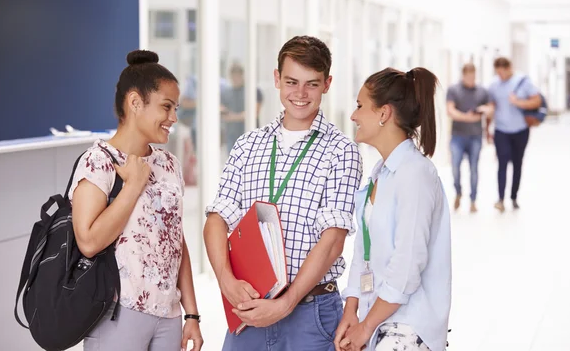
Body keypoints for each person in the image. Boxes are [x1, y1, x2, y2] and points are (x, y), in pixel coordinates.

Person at [204, 35, 363, 351]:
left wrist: (286, 304)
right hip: (248, 309)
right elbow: (216, 220)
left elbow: (332, 241)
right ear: (276, 79)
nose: (300, 94)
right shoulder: (248, 145)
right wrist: (226, 281)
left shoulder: (342, 151)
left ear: (327, 83)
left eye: (312, 84)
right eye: (291, 82)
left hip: (310, 316)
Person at [69, 50, 203, 351]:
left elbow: (176, 242)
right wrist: (133, 185)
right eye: (166, 107)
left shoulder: (169, 164)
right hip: (118, 313)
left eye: (176, 108)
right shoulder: (97, 161)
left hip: (168, 315)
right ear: (134, 102)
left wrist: (191, 313)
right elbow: (88, 241)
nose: (174, 118)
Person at [336, 68, 452, 351]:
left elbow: (407, 266)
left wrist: (366, 326)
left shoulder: (415, 174)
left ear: (384, 113)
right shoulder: (381, 173)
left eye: (360, 106)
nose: (353, 116)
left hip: (408, 329)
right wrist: (351, 310)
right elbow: (364, 252)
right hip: (378, 321)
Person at [486, 57, 541, 212]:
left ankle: (514, 197)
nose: (501, 76)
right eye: (498, 73)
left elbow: (536, 101)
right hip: (501, 130)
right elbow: (492, 105)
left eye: (503, 72)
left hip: (520, 130)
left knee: (517, 163)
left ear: (510, 68)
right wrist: (487, 129)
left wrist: (519, 102)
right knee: (502, 163)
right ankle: (500, 199)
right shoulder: (494, 85)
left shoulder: (523, 81)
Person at [446, 63, 492, 212]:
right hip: (457, 136)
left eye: (473, 76)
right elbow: (450, 111)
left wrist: (484, 109)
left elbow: (491, 109)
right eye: (468, 76)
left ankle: (473, 200)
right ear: (463, 75)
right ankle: (458, 192)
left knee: (474, 168)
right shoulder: (453, 90)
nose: (471, 79)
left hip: (475, 137)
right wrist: (468, 118)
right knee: (455, 167)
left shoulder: (482, 91)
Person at [221, 62, 264, 152]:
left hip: (250, 136)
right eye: (233, 76)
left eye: (237, 76)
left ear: (242, 75)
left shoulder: (253, 91)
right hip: (232, 137)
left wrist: (233, 117)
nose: (235, 79)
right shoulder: (226, 93)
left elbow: (254, 113)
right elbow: (222, 111)